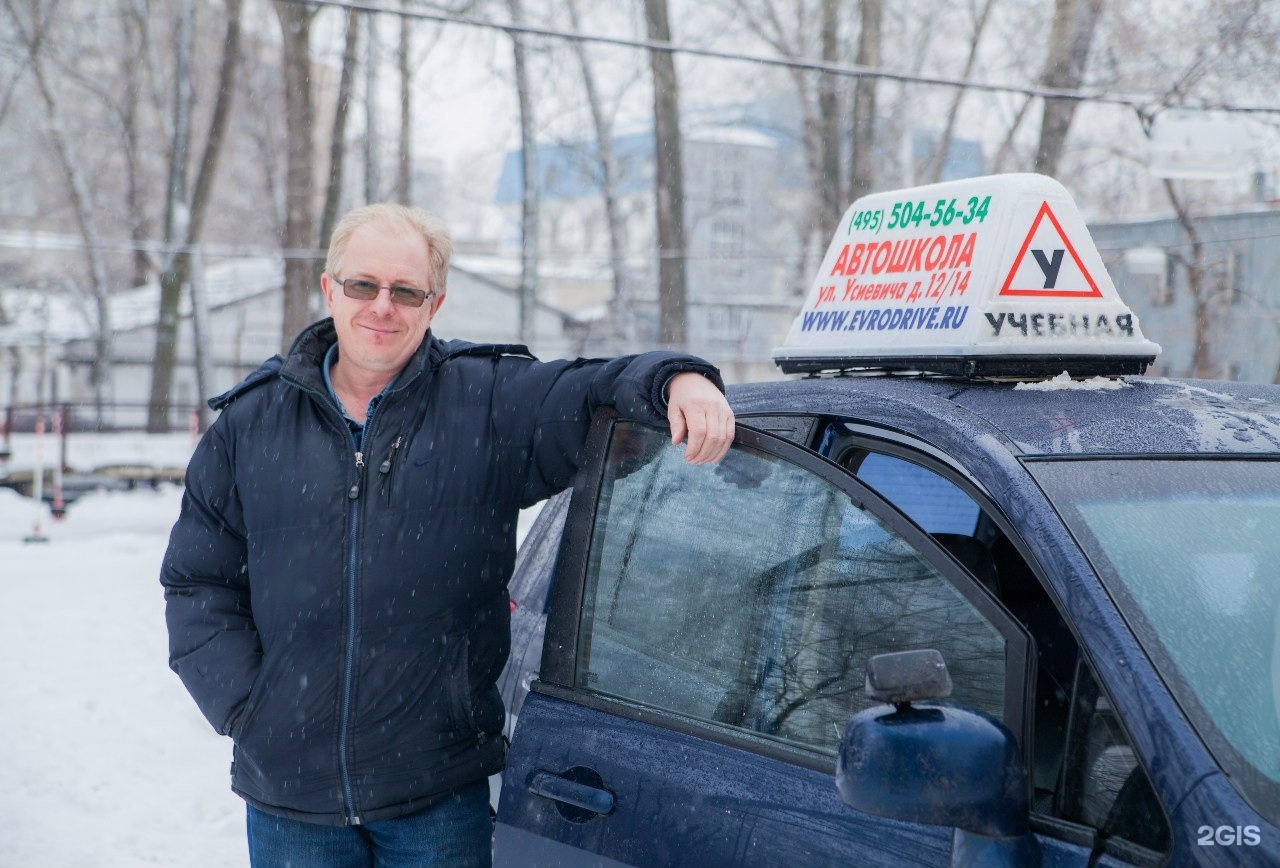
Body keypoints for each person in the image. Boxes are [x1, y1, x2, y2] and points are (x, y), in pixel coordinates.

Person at [160, 203, 734, 867]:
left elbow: (593, 388)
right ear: (329, 289)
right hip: (292, 804)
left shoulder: (487, 404)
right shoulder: (250, 425)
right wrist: (247, 709)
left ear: (434, 304)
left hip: (435, 797)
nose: (383, 306)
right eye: (363, 285)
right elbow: (197, 580)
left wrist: (679, 377)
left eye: (406, 291)